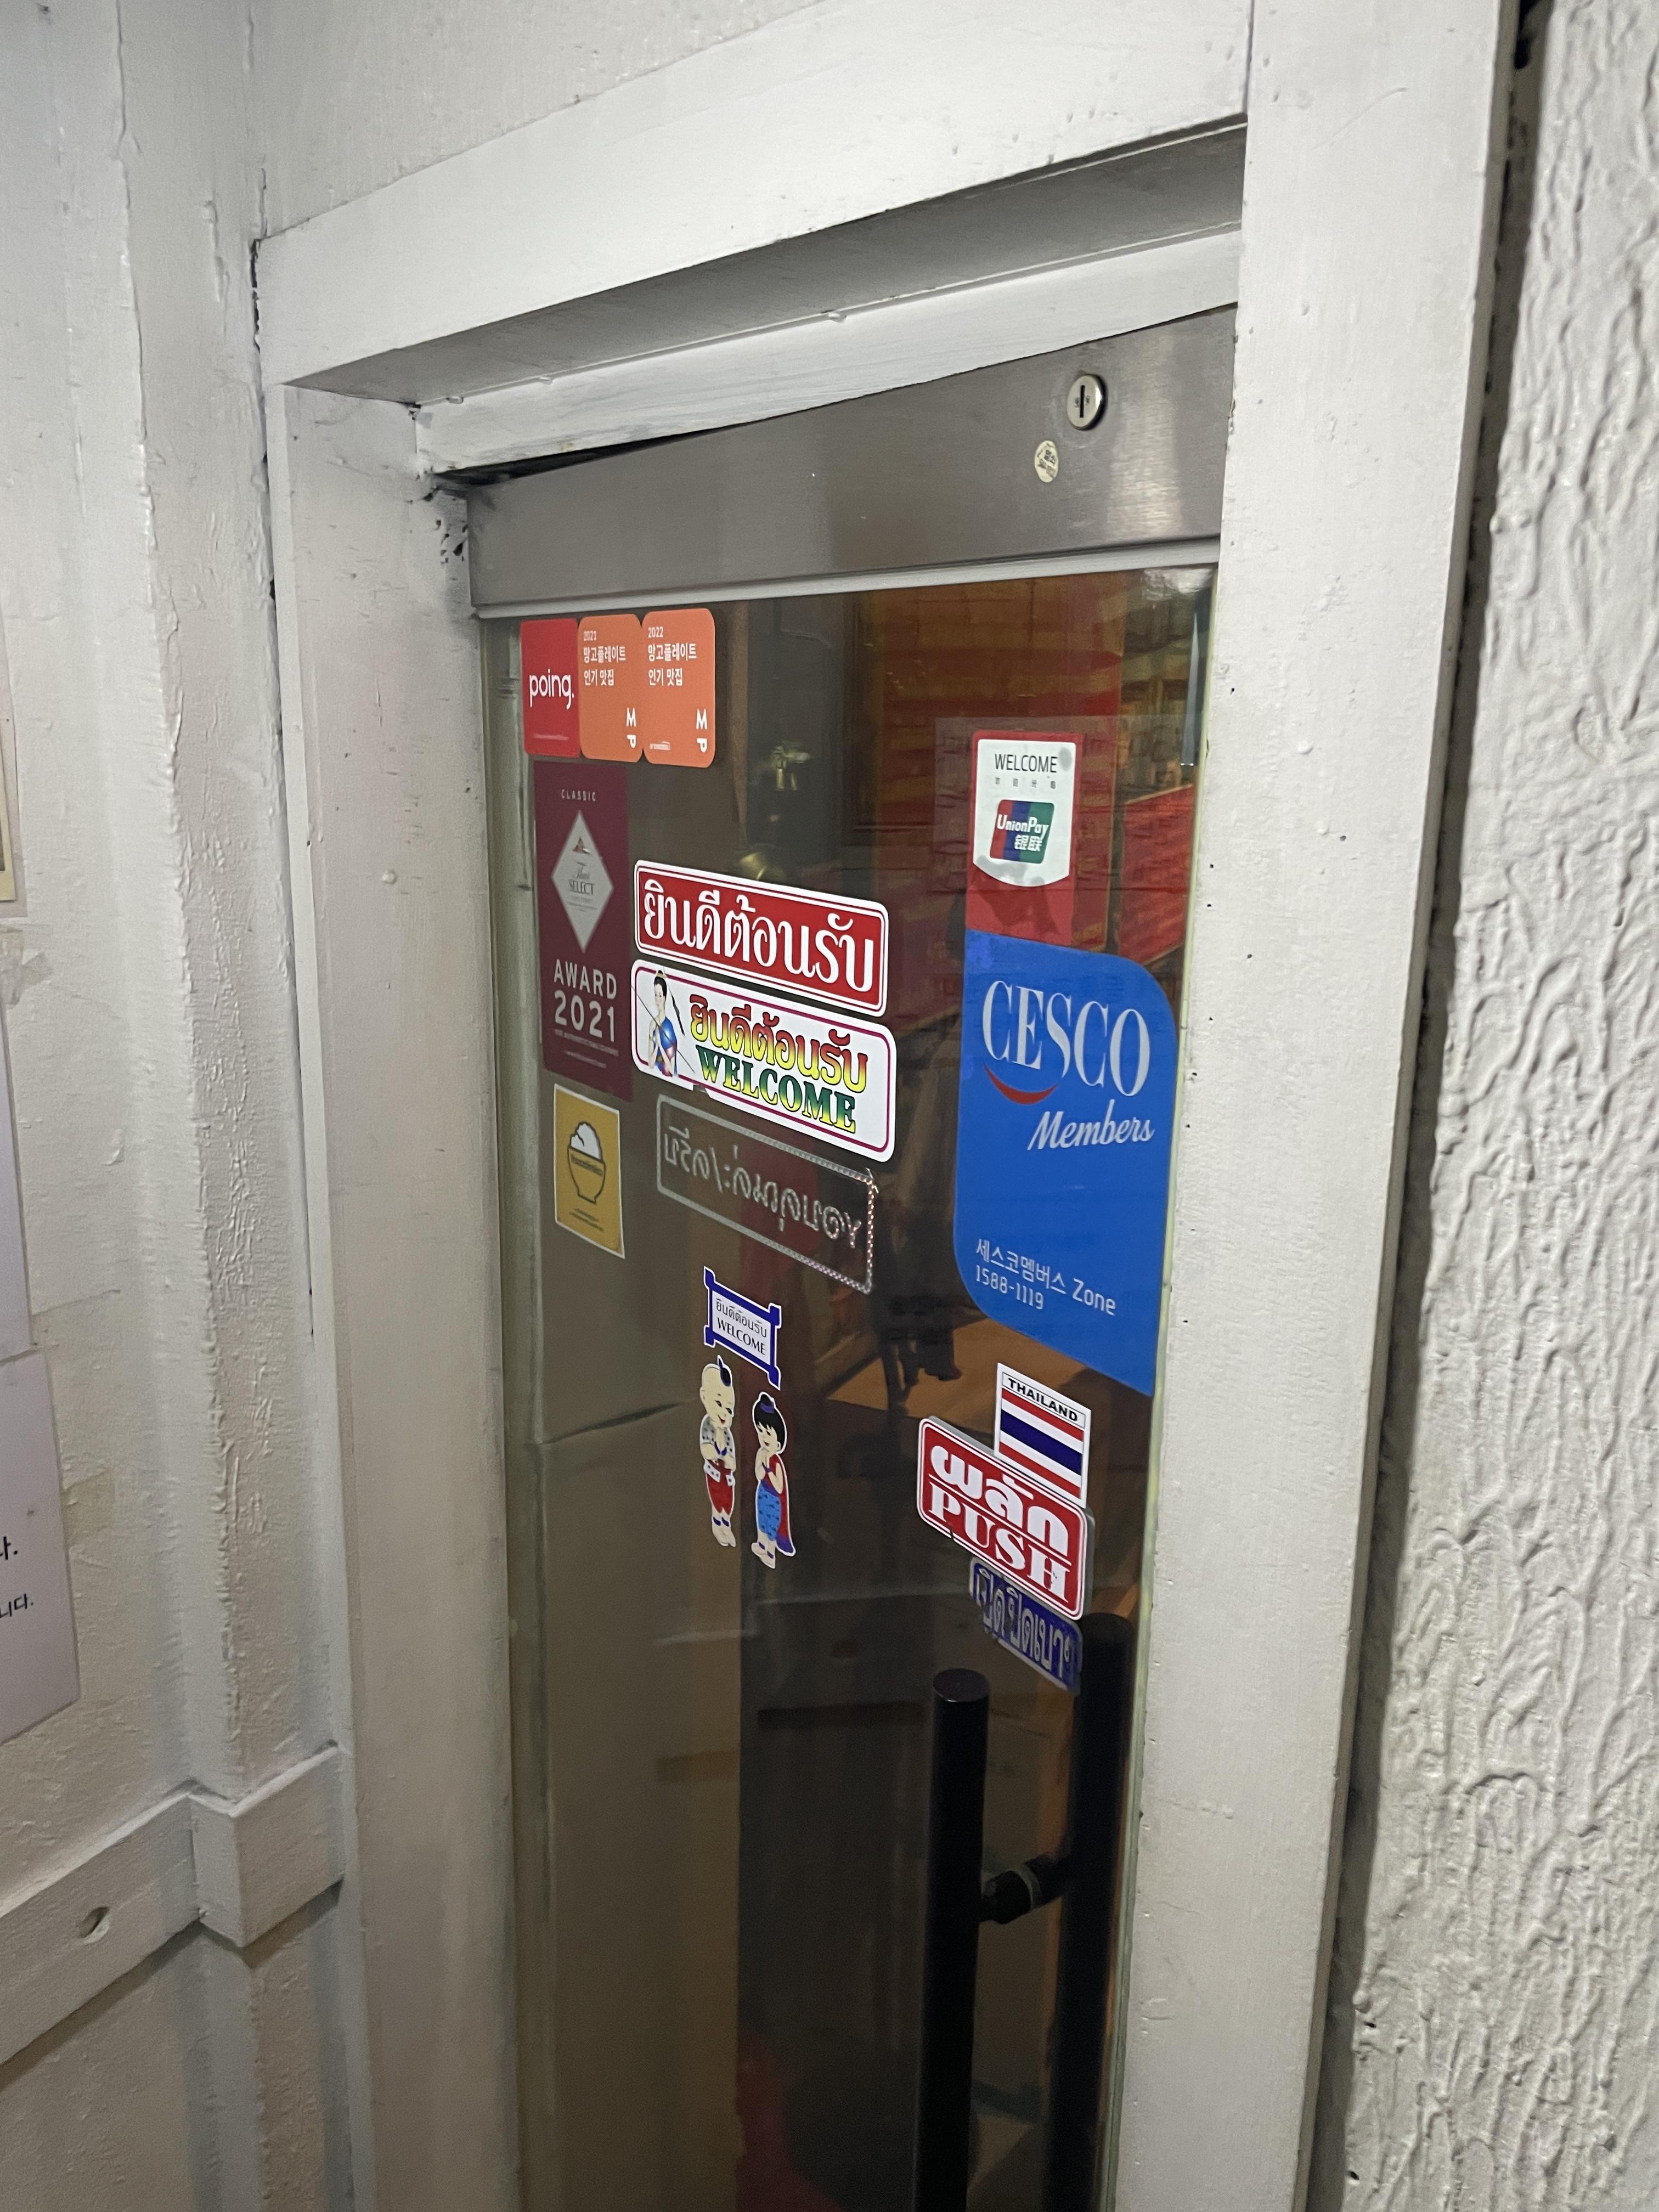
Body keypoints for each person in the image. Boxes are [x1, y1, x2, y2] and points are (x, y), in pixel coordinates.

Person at [698, 1357, 738, 1548]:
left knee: (727, 1503)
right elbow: (706, 1449)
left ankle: (726, 1526)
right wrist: (715, 1453)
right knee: (716, 1500)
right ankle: (717, 1525)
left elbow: (732, 1459)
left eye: (729, 1409)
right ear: (705, 1397)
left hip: (727, 1477)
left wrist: (728, 1459)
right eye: (719, 1404)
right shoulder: (708, 1425)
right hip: (714, 1473)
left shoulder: (728, 1434)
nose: (724, 1413)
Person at [750, 1395, 794, 1568]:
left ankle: (770, 1552)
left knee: (772, 1526)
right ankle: (761, 1546)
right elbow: (758, 1474)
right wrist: (763, 1464)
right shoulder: (761, 1453)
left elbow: (779, 1486)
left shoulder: (776, 1462)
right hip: (763, 1494)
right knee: (761, 1522)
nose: (764, 1437)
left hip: (774, 1500)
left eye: (768, 1433)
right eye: (760, 1431)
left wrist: (769, 1467)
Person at [650, 970, 679, 1079]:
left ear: (665, 998)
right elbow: (651, 1064)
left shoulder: (669, 1027)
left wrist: (661, 1047)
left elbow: (672, 1070)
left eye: (660, 996)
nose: (657, 1000)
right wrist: (656, 1046)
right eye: (656, 995)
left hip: (670, 1080)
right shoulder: (653, 1025)